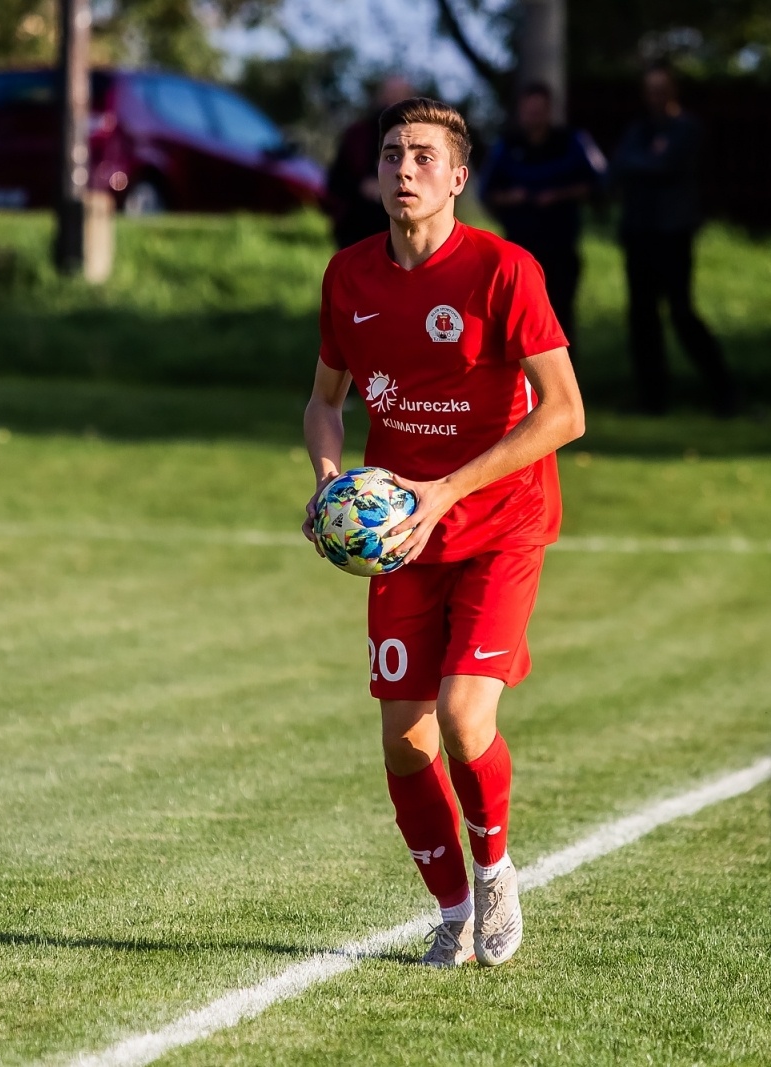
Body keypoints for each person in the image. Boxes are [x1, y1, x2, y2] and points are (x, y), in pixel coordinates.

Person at [303, 98, 585, 967]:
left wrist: (445, 490)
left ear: (458, 177)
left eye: (425, 155)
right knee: (404, 737)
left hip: (501, 522)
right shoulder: (348, 275)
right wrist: (329, 486)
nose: (405, 168)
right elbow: (324, 401)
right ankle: (453, 910)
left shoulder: (504, 270)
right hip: (402, 537)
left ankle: (495, 868)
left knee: (466, 719)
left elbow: (566, 413)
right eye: (392, 154)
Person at [612, 63, 737, 416]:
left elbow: (663, 165)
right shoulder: (639, 129)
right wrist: (645, 163)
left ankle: (724, 393)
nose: (655, 96)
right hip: (638, 233)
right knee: (642, 316)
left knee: (682, 313)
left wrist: (642, 164)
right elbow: (618, 167)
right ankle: (652, 399)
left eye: (661, 89)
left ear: (673, 91)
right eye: (649, 89)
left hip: (673, 233)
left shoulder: (687, 129)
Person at [480, 82, 606, 340]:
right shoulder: (505, 146)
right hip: (519, 250)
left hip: (561, 246)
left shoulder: (573, 141)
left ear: (549, 111)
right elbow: (486, 192)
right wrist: (512, 199)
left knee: (560, 320)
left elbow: (600, 183)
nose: (534, 117)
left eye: (539, 111)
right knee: (518, 320)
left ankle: (564, 378)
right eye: (529, 111)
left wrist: (559, 195)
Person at [324, 75, 415, 250]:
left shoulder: (420, 141)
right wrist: (362, 186)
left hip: (400, 230)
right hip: (356, 226)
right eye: (390, 94)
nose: (393, 101)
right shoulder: (358, 135)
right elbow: (336, 180)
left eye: (400, 95)